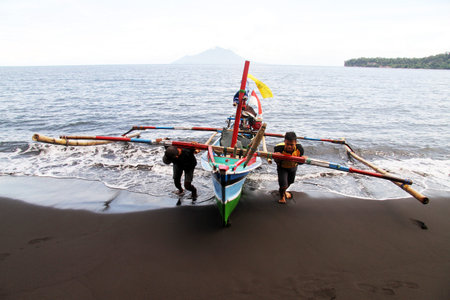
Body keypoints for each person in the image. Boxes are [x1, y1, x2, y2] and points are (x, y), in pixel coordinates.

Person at [273, 132, 304, 204]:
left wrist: (302, 159)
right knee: (283, 184)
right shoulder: (278, 148)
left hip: (293, 167)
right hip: (282, 168)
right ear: (284, 142)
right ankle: (282, 197)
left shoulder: (299, 149)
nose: (289, 147)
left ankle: (284, 191)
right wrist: (277, 157)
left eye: (292, 145)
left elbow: (300, 162)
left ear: (295, 143)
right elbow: (275, 161)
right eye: (287, 144)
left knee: (290, 182)